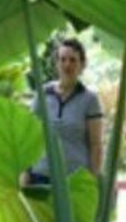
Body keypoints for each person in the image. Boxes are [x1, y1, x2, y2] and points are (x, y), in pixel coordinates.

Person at [26, 38, 103, 185]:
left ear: (82, 64)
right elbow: (28, 136)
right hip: (41, 175)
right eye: (63, 59)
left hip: (74, 180)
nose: (67, 64)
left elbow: (96, 145)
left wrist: (92, 180)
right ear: (57, 64)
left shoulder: (90, 100)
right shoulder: (42, 94)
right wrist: (25, 173)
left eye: (73, 60)